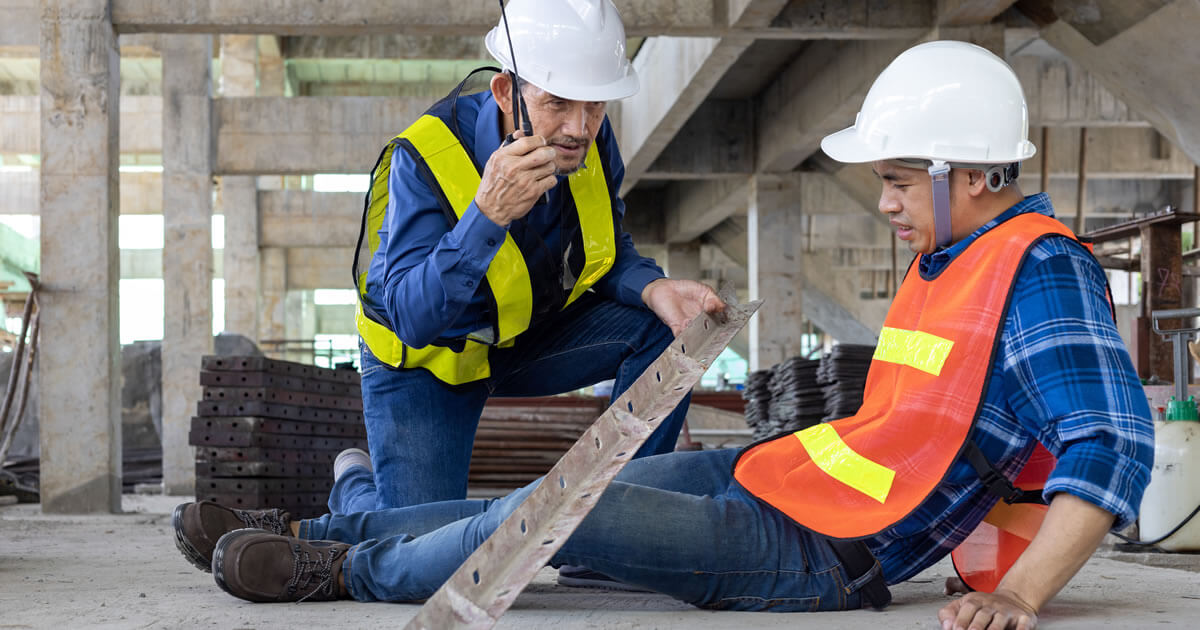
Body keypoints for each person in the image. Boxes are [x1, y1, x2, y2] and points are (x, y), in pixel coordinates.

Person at [174, 41, 1153, 630]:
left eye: (898, 181)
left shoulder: (1040, 268)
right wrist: (485, 219)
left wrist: (1019, 596)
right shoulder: (954, 256)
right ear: (511, 92)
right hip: (775, 475)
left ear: (972, 174)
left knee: (560, 519)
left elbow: (1112, 444)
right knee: (559, 491)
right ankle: (325, 528)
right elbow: (421, 308)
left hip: (825, 555)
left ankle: (342, 568)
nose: (887, 203)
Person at [340, 0, 723, 517]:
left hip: (520, 337)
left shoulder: (589, 142)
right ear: (505, 92)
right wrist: (485, 216)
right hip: (428, 362)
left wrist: (652, 286)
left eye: (595, 105)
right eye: (558, 102)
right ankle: (354, 486)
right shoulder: (425, 158)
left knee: (662, 327)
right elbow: (412, 318)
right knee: (417, 547)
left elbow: (606, 247)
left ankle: (613, 526)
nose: (579, 127)